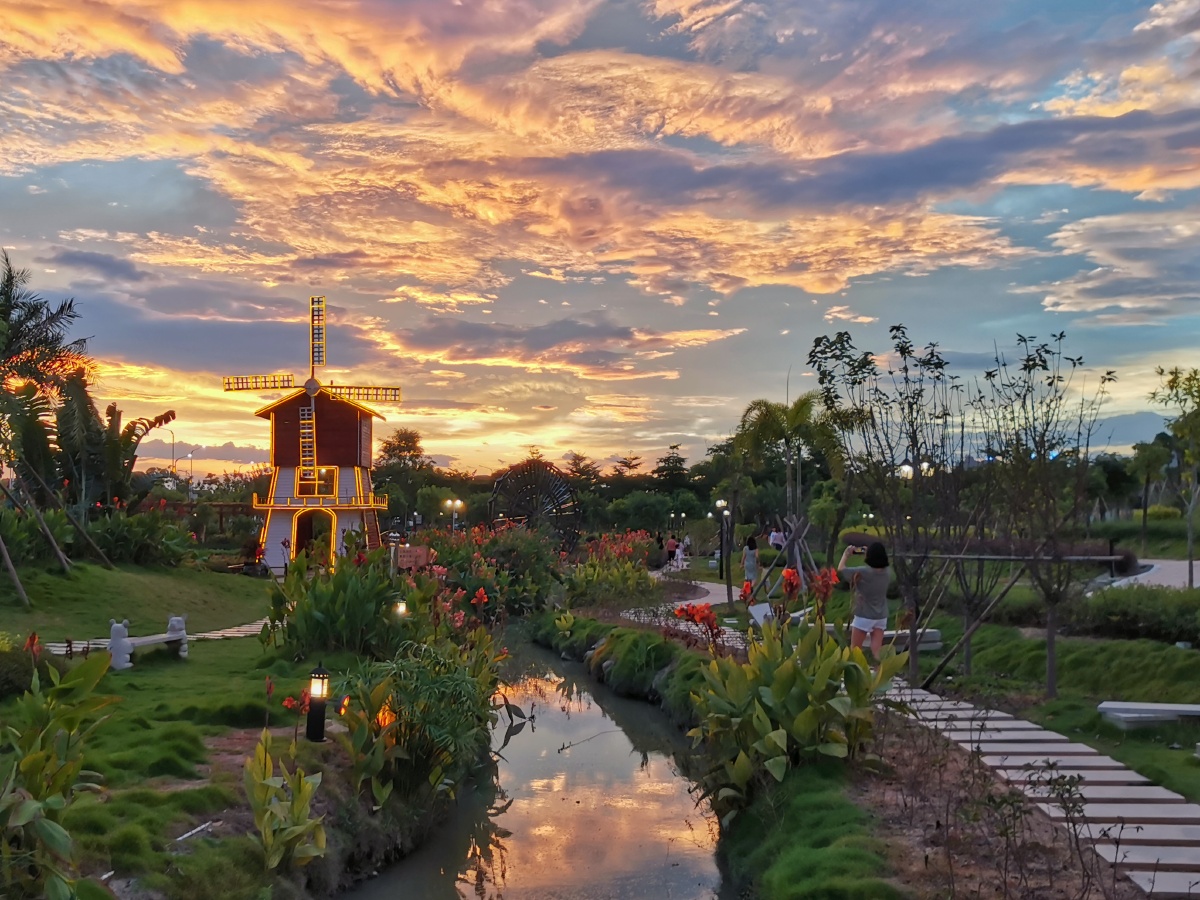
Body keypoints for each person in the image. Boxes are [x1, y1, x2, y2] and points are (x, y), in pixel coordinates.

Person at [838, 541, 891, 659]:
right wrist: (869, 554)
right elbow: (876, 566)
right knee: (877, 651)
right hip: (881, 616)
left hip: (864, 615)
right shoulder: (887, 572)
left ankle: (856, 675)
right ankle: (879, 674)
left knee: (855, 650)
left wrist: (846, 554)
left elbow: (841, 569)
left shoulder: (863, 572)